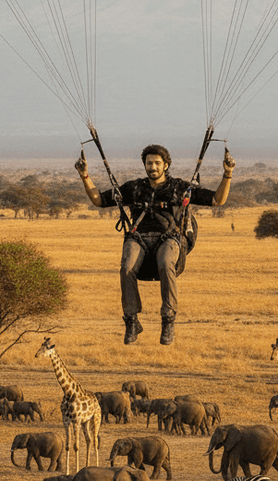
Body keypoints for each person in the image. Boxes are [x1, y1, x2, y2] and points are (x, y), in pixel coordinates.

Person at [76, 143, 235, 345]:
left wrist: (227, 173)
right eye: (149, 163)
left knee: (166, 262)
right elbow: (99, 201)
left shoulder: (179, 187)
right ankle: (131, 320)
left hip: (169, 237)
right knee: (126, 267)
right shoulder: (133, 188)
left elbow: (217, 200)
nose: (153, 167)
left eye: (157, 163)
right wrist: (85, 176)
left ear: (166, 165)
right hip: (138, 237)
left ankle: (168, 319)